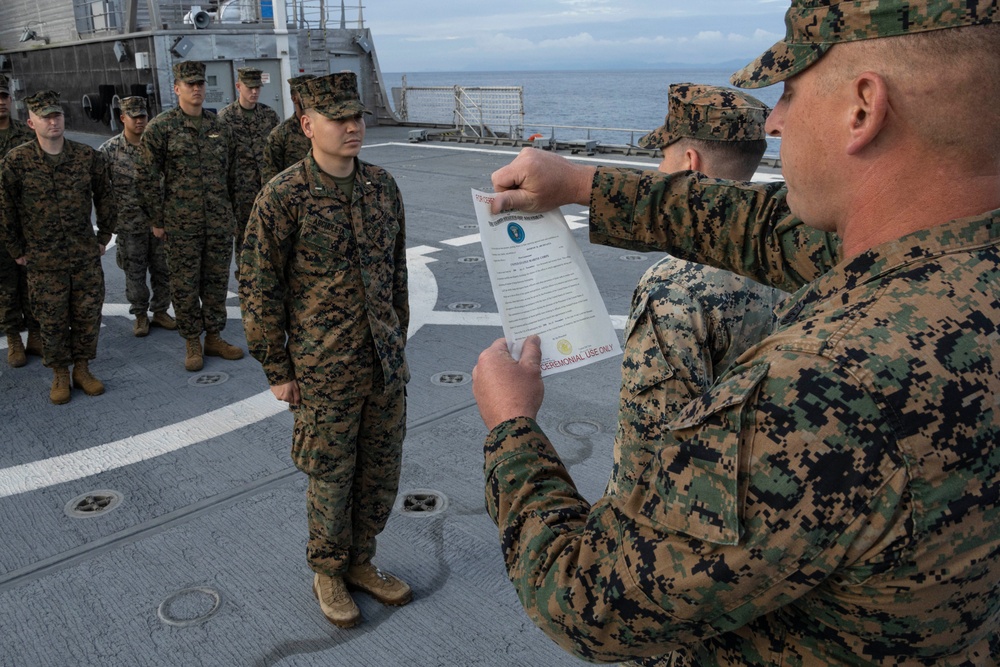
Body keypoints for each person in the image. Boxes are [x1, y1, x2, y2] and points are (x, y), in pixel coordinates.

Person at [472, 1, 1000, 664]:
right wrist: (583, 183)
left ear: (863, 107)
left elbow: (588, 599)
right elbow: (760, 226)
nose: (775, 120)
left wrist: (513, 430)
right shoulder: (959, 258)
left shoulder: (824, 387)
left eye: (791, 89)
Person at [239, 72, 411, 629]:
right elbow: (259, 286)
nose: (352, 127)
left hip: (383, 364)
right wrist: (277, 367)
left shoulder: (382, 187)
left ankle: (361, 561)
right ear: (307, 124)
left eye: (356, 117)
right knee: (331, 473)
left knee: (380, 470)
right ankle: (328, 570)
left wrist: (396, 339)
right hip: (322, 368)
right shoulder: (283, 196)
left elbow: (396, 273)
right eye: (338, 119)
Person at [608, 83, 785, 498]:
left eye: (662, 159)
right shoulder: (790, 252)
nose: (657, 173)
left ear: (690, 163)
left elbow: (647, 454)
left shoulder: (673, 286)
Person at [0, 91, 116, 404]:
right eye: (45, 117)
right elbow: (5, 207)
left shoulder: (86, 156)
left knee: (87, 316)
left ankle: (82, 368)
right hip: (43, 260)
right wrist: (15, 248)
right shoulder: (17, 161)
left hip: (83, 256)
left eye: (57, 115)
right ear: (30, 122)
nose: (53, 121)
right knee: (50, 320)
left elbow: (106, 195)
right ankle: (60, 374)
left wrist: (104, 236)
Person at [139, 60, 245, 372]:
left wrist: (235, 217)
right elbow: (145, 176)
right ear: (177, 88)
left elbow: (234, 176)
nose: (196, 89)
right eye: (189, 84)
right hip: (179, 225)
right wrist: (156, 219)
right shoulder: (161, 128)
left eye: (200, 83)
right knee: (184, 285)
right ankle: (191, 342)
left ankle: (214, 336)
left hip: (217, 223)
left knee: (215, 282)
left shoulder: (220, 128)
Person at [99, 96, 176, 337]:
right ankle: (141, 315)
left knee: (163, 270)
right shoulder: (109, 150)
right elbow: (100, 189)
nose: (140, 121)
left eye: (143, 116)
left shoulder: (158, 146)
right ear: (123, 118)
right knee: (134, 272)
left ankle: (161, 311)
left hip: (160, 223)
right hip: (129, 225)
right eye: (134, 117)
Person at [218, 67, 280, 266]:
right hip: (240, 192)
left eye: (257, 88)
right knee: (245, 238)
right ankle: (245, 279)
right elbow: (221, 159)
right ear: (239, 87)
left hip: (267, 189)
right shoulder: (225, 119)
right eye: (250, 87)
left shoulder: (269, 116)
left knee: (271, 236)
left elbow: (276, 152)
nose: (254, 92)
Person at [0, 73, 41, 367]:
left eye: (3, 96)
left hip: (28, 221)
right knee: (5, 282)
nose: (0, 103)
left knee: (34, 279)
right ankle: (13, 336)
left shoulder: (26, 134)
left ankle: (36, 334)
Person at [260, 74, 315, 183]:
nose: (311, 98)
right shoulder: (280, 134)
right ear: (294, 98)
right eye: (305, 94)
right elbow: (270, 179)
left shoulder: (327, 129)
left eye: (313, 93)